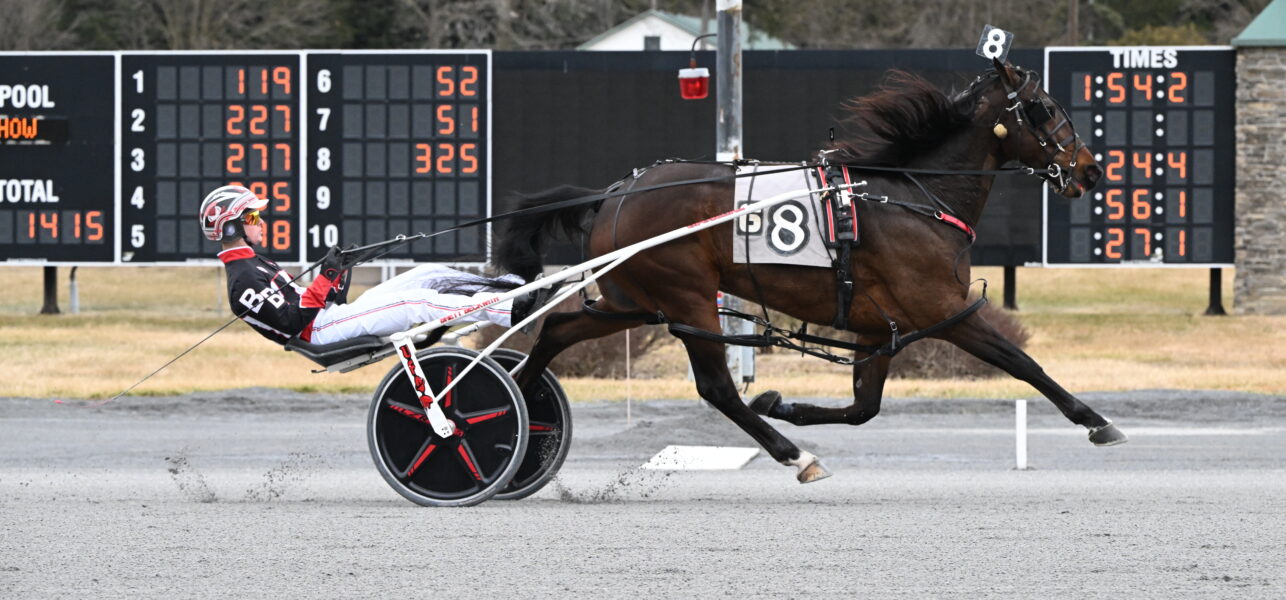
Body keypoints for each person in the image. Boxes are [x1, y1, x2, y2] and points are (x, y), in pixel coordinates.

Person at [200, 185, 537, 347]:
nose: (261, 222)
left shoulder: (254, 263)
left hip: (329, 319)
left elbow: (313, 300)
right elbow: (292, 321)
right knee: (414, 302)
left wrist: (339, 270)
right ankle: (506, 311)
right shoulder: (243, 280)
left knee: (427, 274)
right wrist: (327, 275)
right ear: (231, 226)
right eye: (254, 216)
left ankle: (508, 287)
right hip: (320, 332)